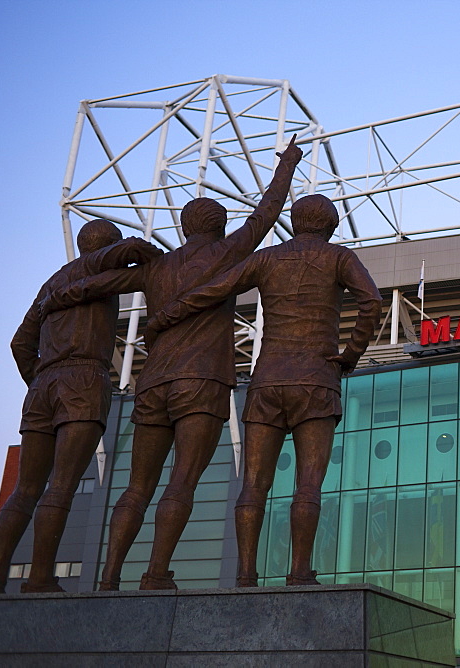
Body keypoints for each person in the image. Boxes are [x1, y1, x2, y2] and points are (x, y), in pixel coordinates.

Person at [40, 136, 303, 590]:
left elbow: (95, 284)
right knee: (182, 480)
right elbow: (267, 212)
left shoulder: (156, 267)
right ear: (220, 228)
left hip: (152, 383)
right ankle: (156, 572)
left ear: (183, 229)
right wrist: (287, 165)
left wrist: (58, 294)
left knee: (136, 486)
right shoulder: (228, 252)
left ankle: (108, 575)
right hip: (200, 381)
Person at [148, 194, 381, 586]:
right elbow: (371, 302)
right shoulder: (339, 257)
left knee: (253, 484)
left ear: (294, 221)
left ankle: (244, 573)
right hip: (315, 379)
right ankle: (299, 570)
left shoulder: (266, 258)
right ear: (331, 226)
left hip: (267, 381)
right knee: (308, 481)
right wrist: (349, 355)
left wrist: (163, 318)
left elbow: (212, 290)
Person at [0, 221, 161, 593]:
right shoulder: (93, 266)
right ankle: (39, 579)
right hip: (82, 379)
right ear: (104, 248)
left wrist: (38, 378)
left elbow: (19, 343)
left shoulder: (51, 283)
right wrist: (161, 260)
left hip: (43, 384)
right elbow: (132, 248)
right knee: (62, 487)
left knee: (24, 490)